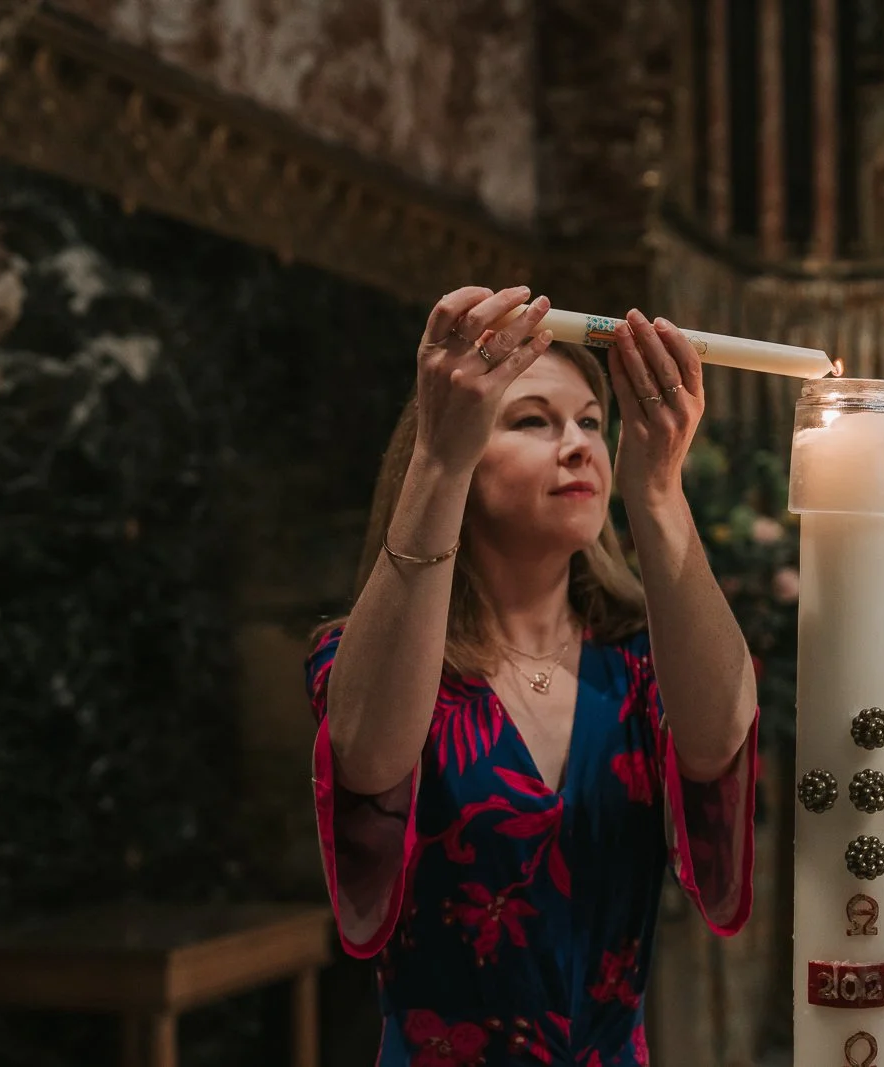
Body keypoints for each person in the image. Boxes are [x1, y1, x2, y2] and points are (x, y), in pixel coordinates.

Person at [306, 285, 759, 1066]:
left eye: (591, 420)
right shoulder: (365, 655)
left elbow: (722, 737)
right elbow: (372, 755)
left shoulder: (642, 663)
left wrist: (659, 489)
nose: (578, 444)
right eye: (531, 421)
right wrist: (437, 463)